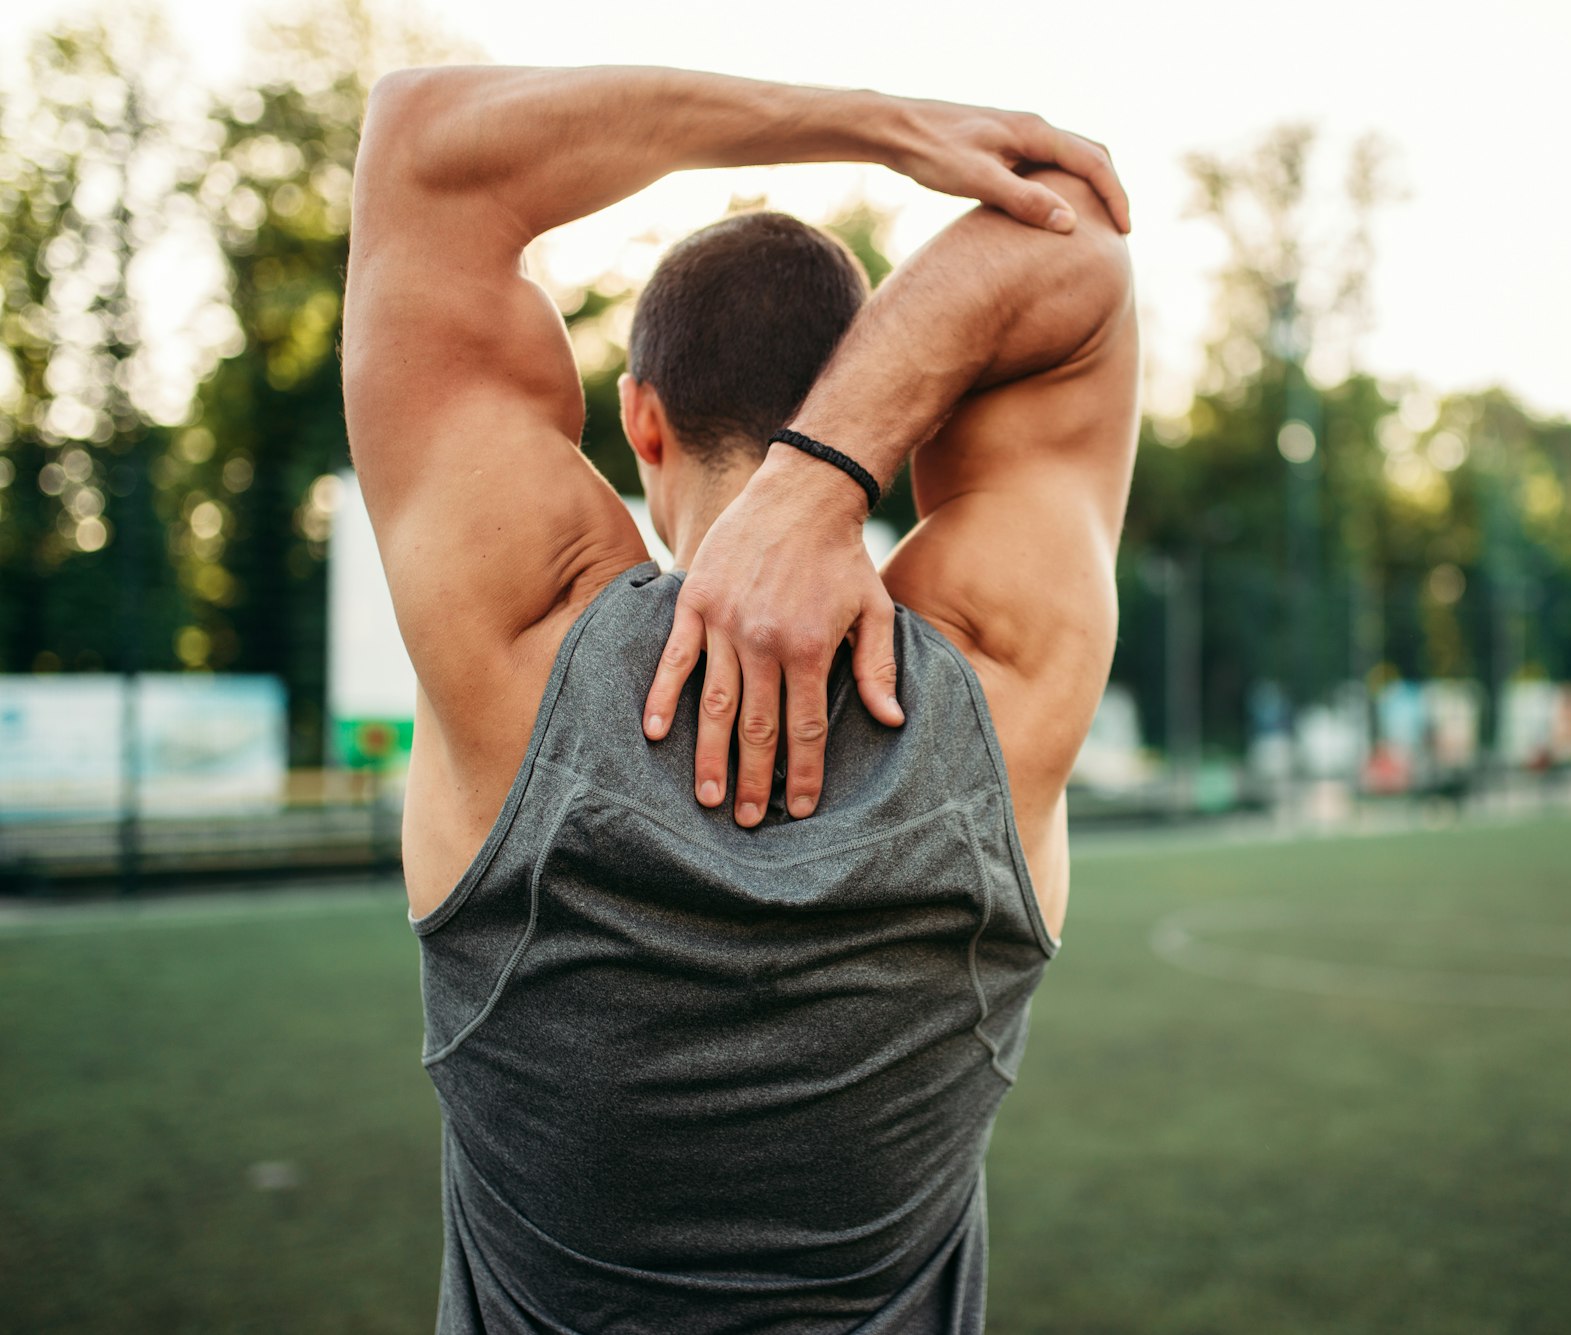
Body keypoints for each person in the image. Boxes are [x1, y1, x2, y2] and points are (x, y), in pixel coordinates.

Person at [342, 63, 1138, 1333]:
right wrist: (825, 477)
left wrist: (874, 126)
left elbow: (429, 144)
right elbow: (1077, 245)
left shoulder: (514, 643)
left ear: (641, 421)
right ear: (905, 410)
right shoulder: (1001, 673)